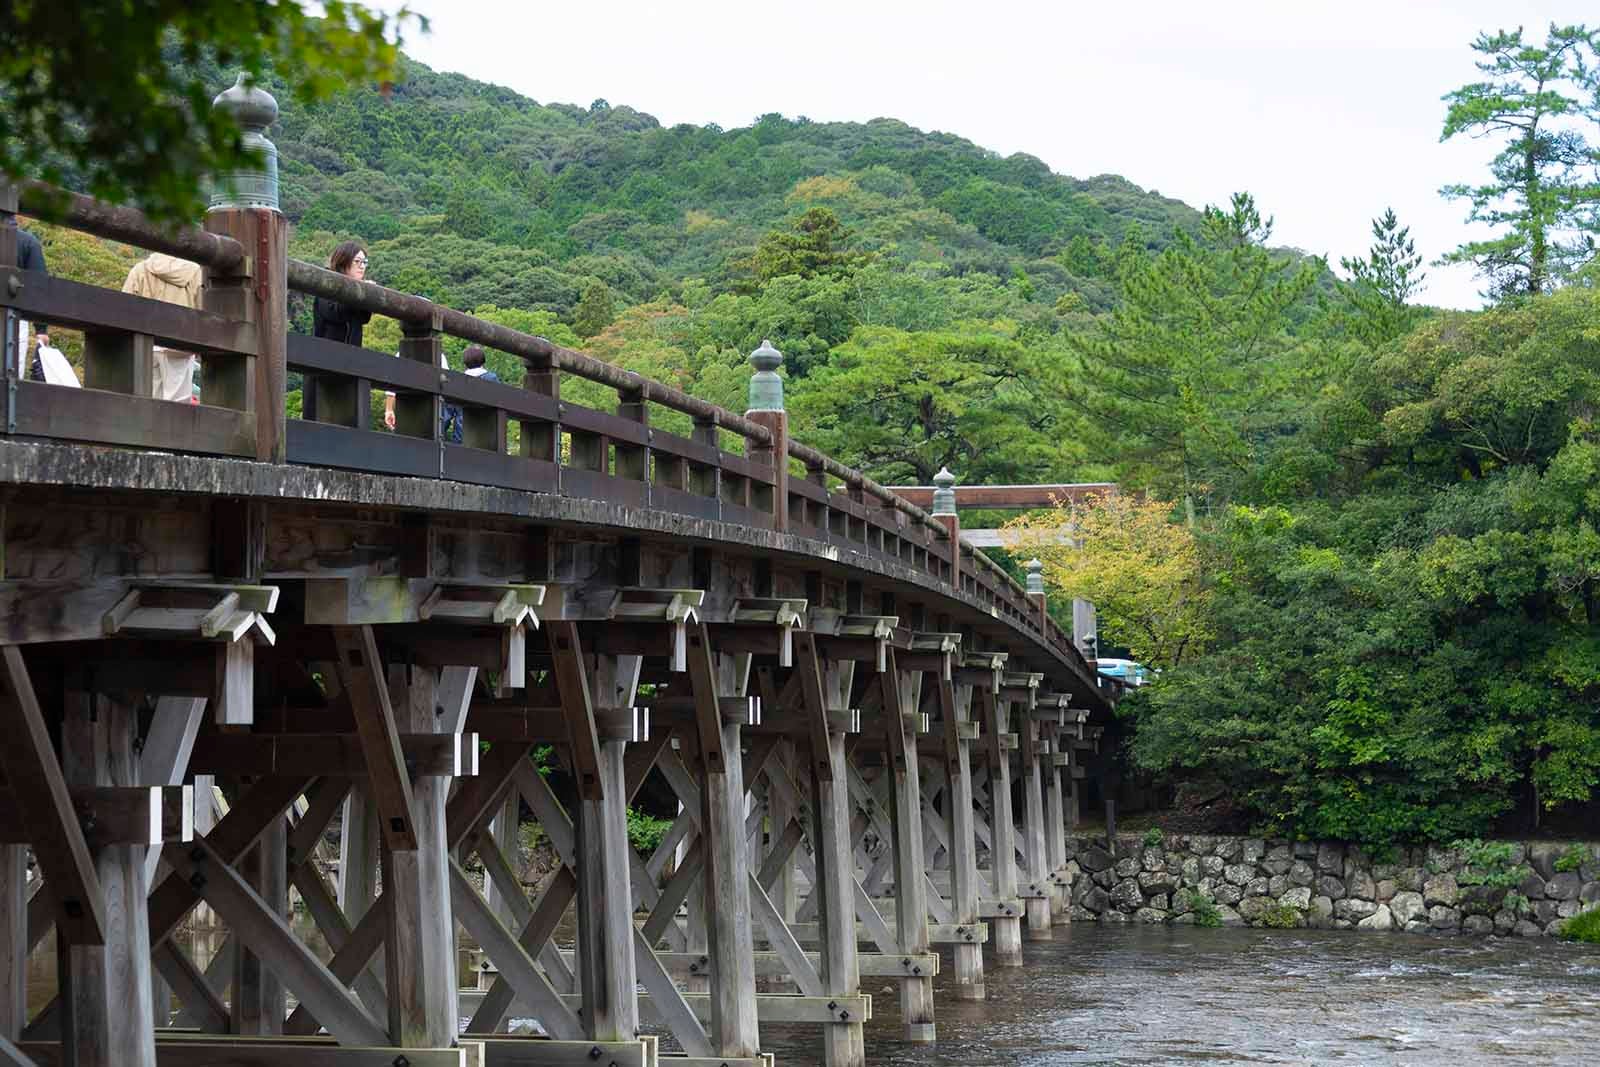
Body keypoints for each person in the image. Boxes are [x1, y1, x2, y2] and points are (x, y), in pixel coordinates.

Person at [122, 252, 203, 400]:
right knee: (178, 401)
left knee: (149, 399)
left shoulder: (140, 269)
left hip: (146, 345)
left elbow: (125, 308)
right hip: (180, 344)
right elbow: (203, 307)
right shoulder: (194, 271)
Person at [312, 241, 372, 346]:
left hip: (352, 355)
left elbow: (364, 318)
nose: (362, 266)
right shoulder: (326, 283)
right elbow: (336, 313)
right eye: (357, 261)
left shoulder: (358, 290)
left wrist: (367, 292)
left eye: (364, 262)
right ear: (343, 262)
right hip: (326, 354)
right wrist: (358, 292)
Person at [14, 227, 52, 381]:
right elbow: (39, 287)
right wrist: (41, 329)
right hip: (14, 318)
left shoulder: (26, 242)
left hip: (16, 318)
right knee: (10, 379)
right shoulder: (26, 241)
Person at [440, 345, 498, 443]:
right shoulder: (492, 379)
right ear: (483, 361)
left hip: (462, 435)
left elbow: (447, 412)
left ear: (465, 363)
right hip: (487, 433)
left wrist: (440, 432)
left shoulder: (458, 381)